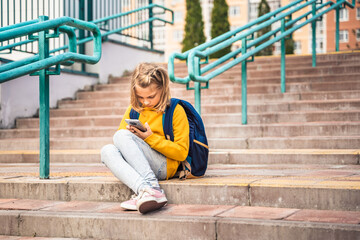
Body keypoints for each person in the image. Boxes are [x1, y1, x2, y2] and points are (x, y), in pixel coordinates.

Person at [100, 63, 190, 214]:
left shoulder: (175, 110)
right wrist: (135, 137)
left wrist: (149, 138)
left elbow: (181, 153)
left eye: (151, 96)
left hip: (165, 165)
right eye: (140, 97)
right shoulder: (134, 110)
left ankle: (153, 188)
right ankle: (146, 189)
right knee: (107, 150)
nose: (146, 102)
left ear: (163, 90)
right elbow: (121, 141)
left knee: (121, 135)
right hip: (141, 162)